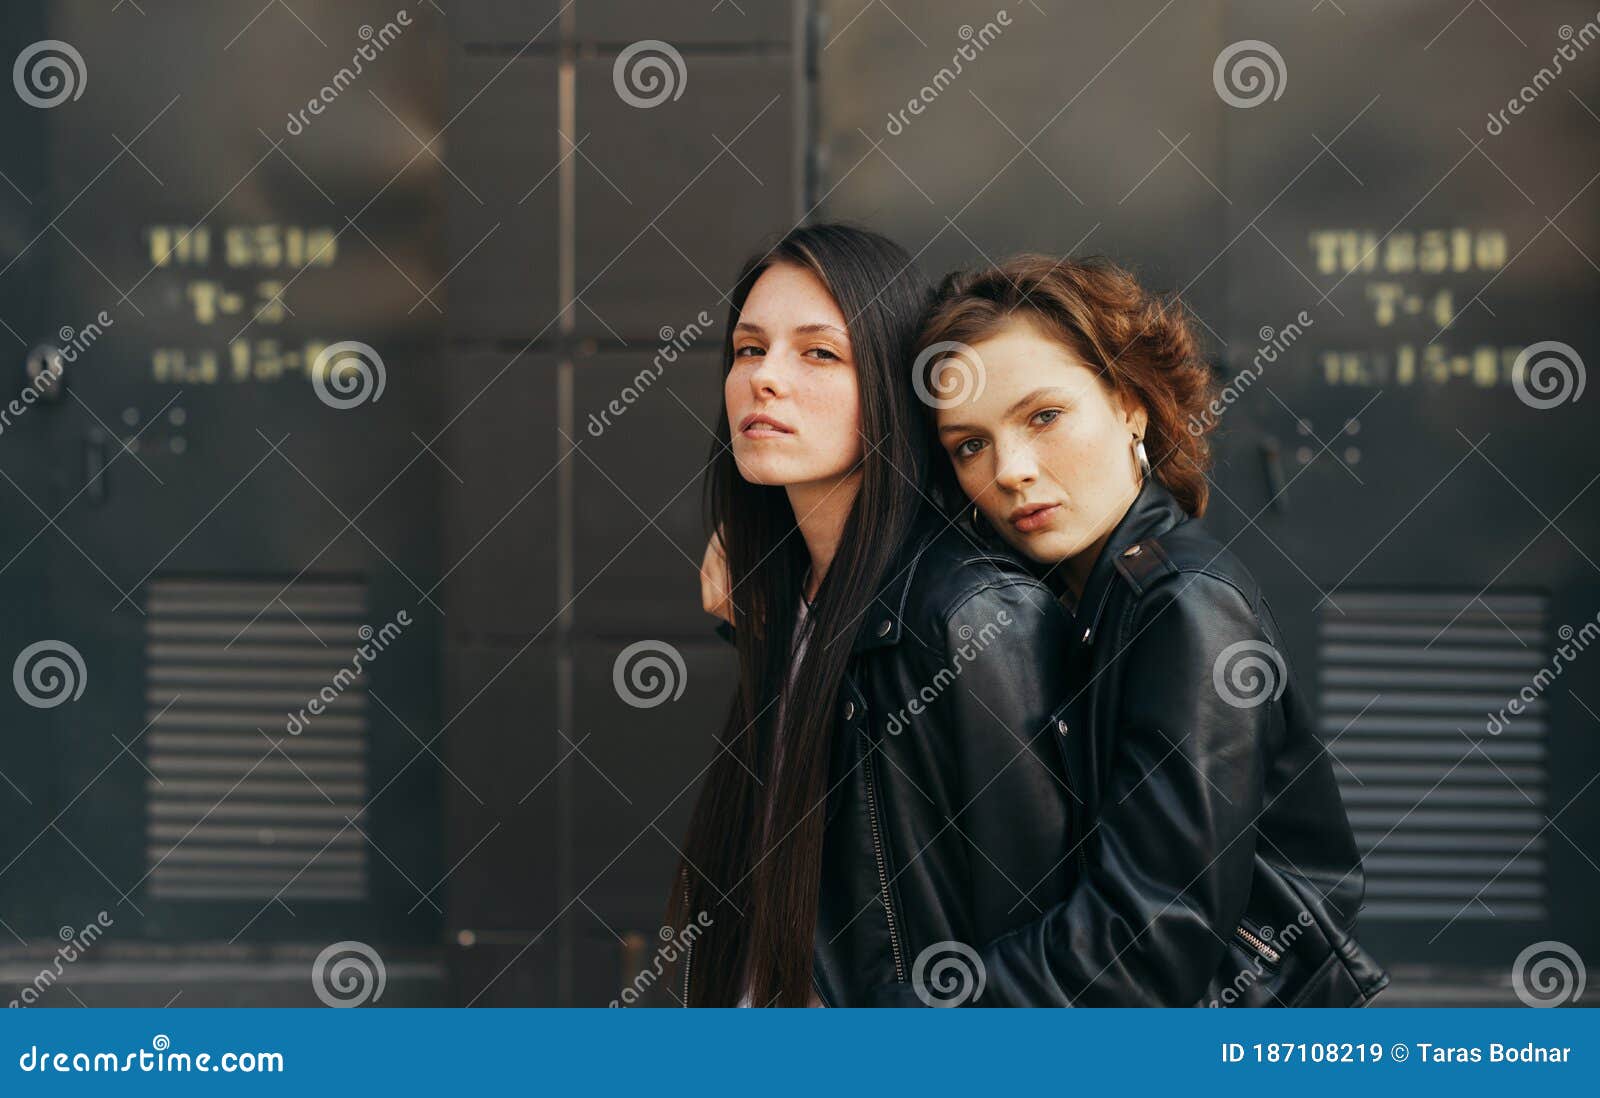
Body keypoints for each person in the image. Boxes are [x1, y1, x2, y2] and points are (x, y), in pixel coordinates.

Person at [905, 253, 1390, 1006]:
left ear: (1130, 403)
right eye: (970, 445)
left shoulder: (1183, 607)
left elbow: (1147, 946)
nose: (1011, 469)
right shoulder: (1064, 593)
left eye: (1044, 416)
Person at [671, 225, 1082, 1007]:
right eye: (749, 349)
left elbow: (1041, 940)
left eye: (819, 353)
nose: (766, 379)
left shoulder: (970, 619)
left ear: (895, 385)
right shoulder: (790, 603)